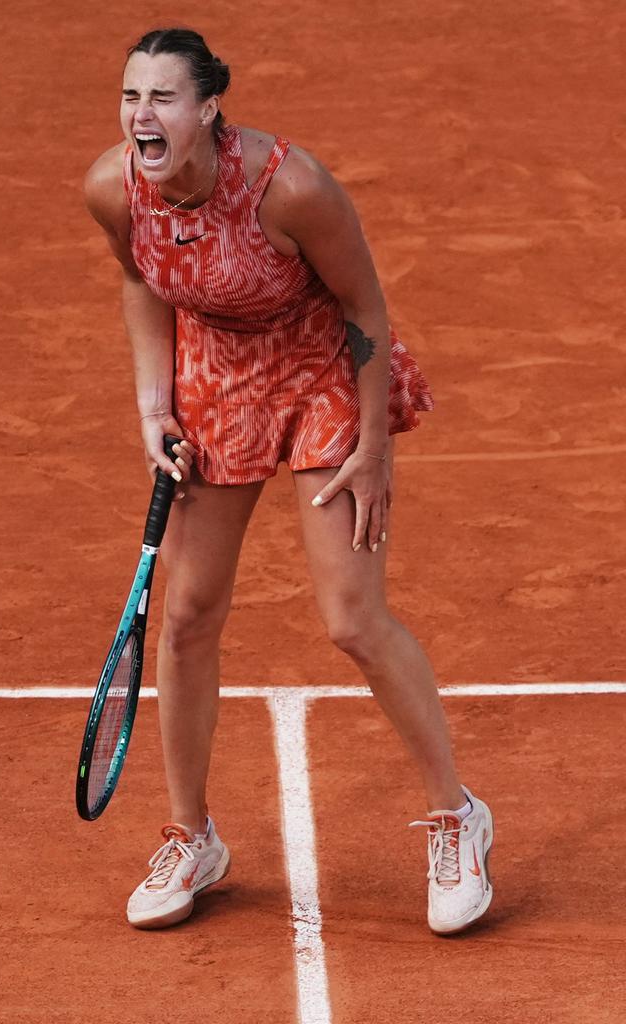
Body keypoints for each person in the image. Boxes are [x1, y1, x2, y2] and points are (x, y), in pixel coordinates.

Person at [84, 27, 494, 935]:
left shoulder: (291, 186)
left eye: (161, 97)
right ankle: (194, 836)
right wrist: (156, 407)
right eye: (129, 97)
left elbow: (366, 310)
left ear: (208, 108)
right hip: (218, 378)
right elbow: (142, 283)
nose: (140, 116)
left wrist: (375, 445)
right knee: (187, 617)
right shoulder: (116, 188)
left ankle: (459, 817)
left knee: (350, 617)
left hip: (322, 372)